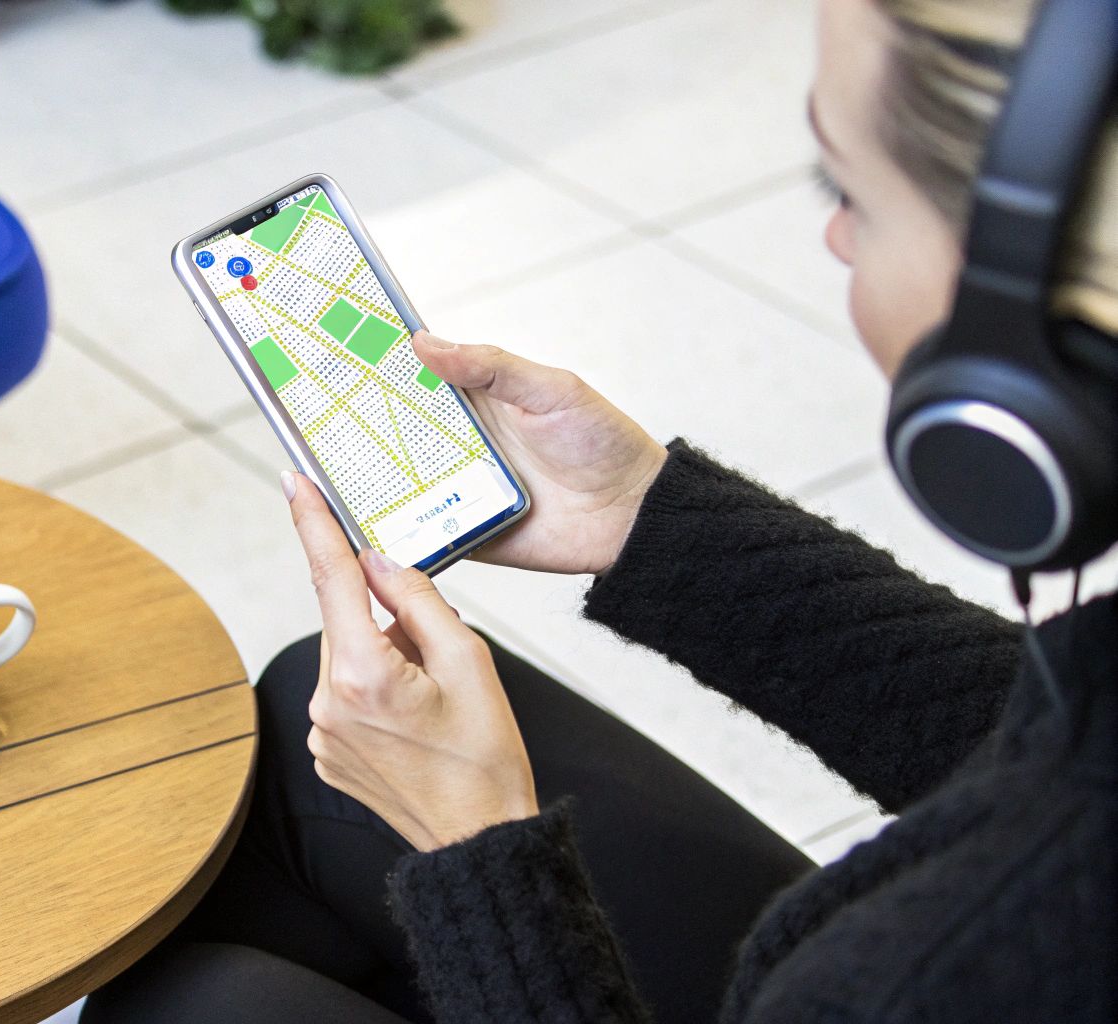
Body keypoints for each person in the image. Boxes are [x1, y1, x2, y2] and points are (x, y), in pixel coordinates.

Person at [81, 0, 1117, 1021]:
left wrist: (473, 852)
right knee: (304, 700)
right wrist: (647, 519)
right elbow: (1041, 732)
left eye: (843, 184)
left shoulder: (940, 968)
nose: (835, 237)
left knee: (193, 1001)